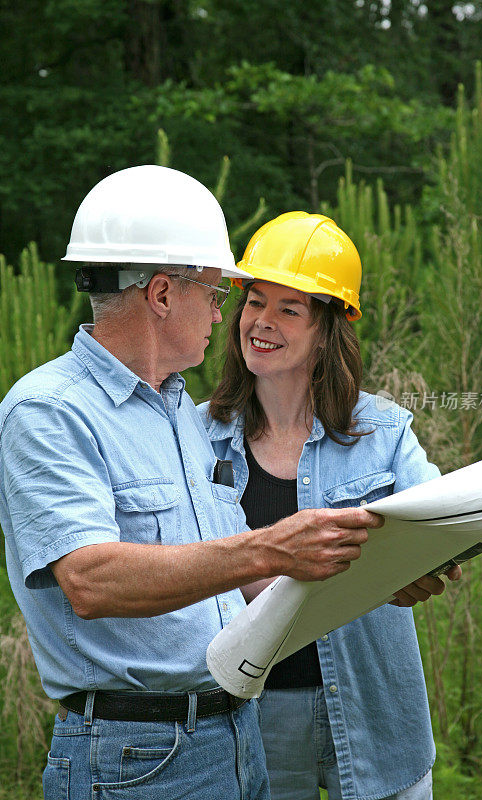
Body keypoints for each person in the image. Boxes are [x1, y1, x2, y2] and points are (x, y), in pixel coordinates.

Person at [0, 171, 381, 800]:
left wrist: (369, 572)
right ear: (159, 294)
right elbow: (91, 580)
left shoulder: (177, 408)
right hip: (135, 758)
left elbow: (232, 572)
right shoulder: (49, 412)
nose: (222, 312)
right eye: (213, 290)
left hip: (233, 736)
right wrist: (271, 547)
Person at [199, 211, 461, 800]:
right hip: (255, 716)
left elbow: (442, 524)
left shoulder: (385, 431)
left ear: (327, 330)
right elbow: (184, 563)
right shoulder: (197, 439)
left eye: (289, 310)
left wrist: (420, 566)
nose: (261, 323)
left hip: (376, 713)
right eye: (255, 302)